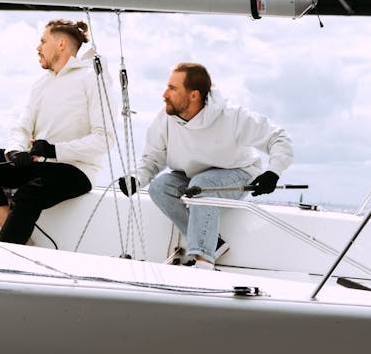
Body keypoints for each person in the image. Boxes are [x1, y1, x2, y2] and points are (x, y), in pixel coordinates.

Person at [118, 62, 293, 268]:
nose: (164, 94)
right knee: (160, 187)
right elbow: (152, 159)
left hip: (238, 172)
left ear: (194, 95)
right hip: (193, 177)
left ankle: (203, 264)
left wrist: (273, 172)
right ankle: (214, 244)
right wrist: (136, 178)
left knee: (203, 186)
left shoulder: (231, 116)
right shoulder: (165, 118)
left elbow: (279, 137)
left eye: (173, 88)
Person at [0, 19, 114, 245]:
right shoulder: (41, 84)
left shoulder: (93, 79)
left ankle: (4, 252)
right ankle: (19, 238)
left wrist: (54, 150)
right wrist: (14, 151)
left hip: (77, 170)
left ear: (61, 44)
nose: (37, 47)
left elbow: (104, 139)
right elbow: (21, 128)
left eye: (43, 41)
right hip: (40, 164)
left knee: (30, 193)